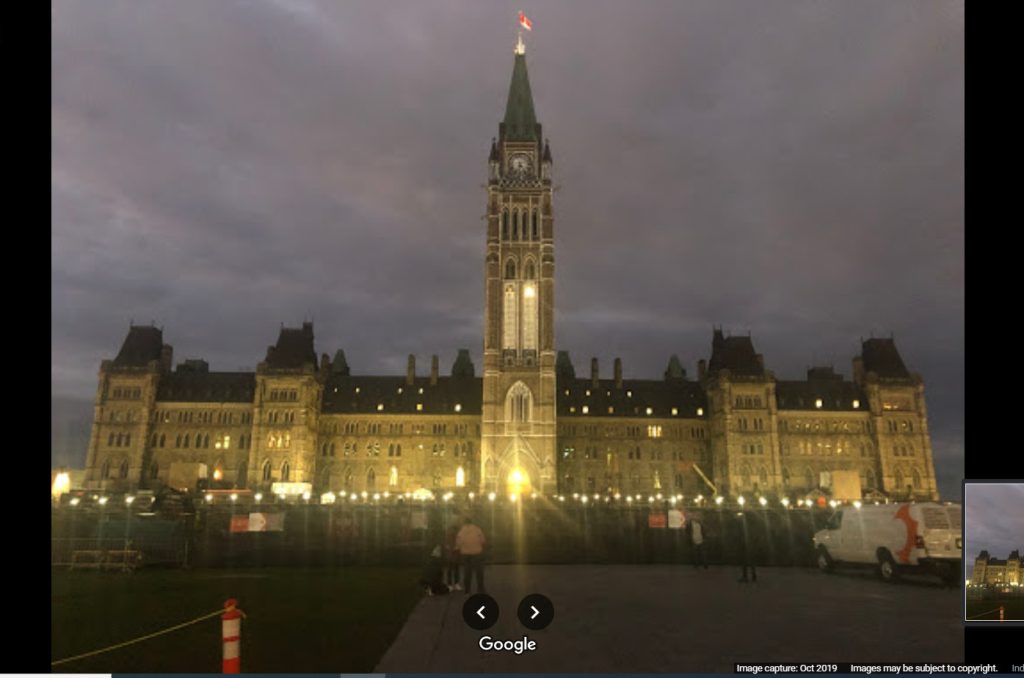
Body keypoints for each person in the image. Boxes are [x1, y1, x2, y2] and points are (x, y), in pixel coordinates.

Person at [455, 516, 487, 594]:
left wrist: (458, 548)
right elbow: (483, 540)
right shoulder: (477, 529)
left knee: (467, 572)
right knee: (479, 572)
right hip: (477, 553)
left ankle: (467, 589)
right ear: (471, 522)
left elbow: (458, 542)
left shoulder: (461, 531)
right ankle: (480, 588)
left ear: (464, 522)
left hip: (465, 554)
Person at [444, 520, 463, 591]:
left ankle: (454, 584)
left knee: (455, 569)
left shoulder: (457, 532)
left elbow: (460, 541)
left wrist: (458, 547)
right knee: (451, 569)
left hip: (455, 553)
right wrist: (448, 547)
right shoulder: (448, 532)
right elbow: (445, 542)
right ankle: (451, 584)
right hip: (451, 553)